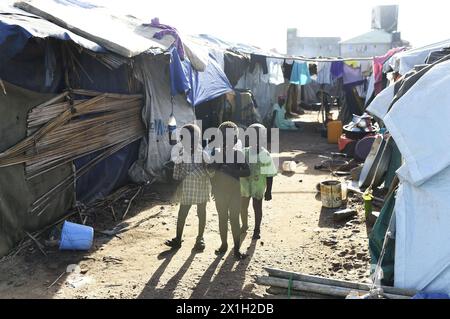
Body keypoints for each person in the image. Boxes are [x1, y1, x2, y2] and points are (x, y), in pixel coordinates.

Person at [165, 124, 212, 252]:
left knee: (201, 213)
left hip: (201, 188)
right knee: (182, 214)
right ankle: (178, 239)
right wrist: (176, 185)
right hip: (187, 189)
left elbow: (211, 171)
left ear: (197, 140)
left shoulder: (203, 154)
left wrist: (194, 174)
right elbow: (177, 173)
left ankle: (200, 239)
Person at [211, 121, 250, 260]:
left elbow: (247, 171)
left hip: (234, 192)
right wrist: (213, 189)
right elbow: (212, 173)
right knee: (222, 219)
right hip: (220, 193)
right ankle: (223, 244)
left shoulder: (238, 154)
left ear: (235, 140)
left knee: (234, 219)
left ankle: (237, 248)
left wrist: (233, 171)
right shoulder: (217, 154)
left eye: (231, 138)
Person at [240, 124, 278, 240]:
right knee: (243, 207)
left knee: (257, 208)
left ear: (262, 139)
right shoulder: (243, 153)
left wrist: (269, 191)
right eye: (251, 137)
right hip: (244, 186)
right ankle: (245, 225)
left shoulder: (265, 155)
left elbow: (269, 174)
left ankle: (257, 229)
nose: (255, 141)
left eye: (258, 138)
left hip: (258, 187)